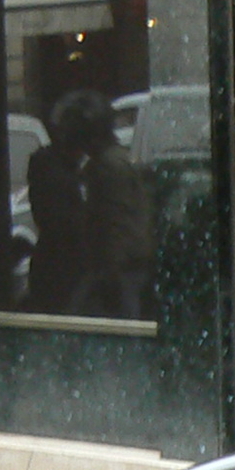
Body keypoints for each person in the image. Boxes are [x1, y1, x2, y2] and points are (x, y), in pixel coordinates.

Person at [25, 89, 151, 319]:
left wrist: (109, 275)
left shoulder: (104, 167)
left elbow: (112, 228)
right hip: (114, 274)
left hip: (113, 275)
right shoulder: (113, 162)